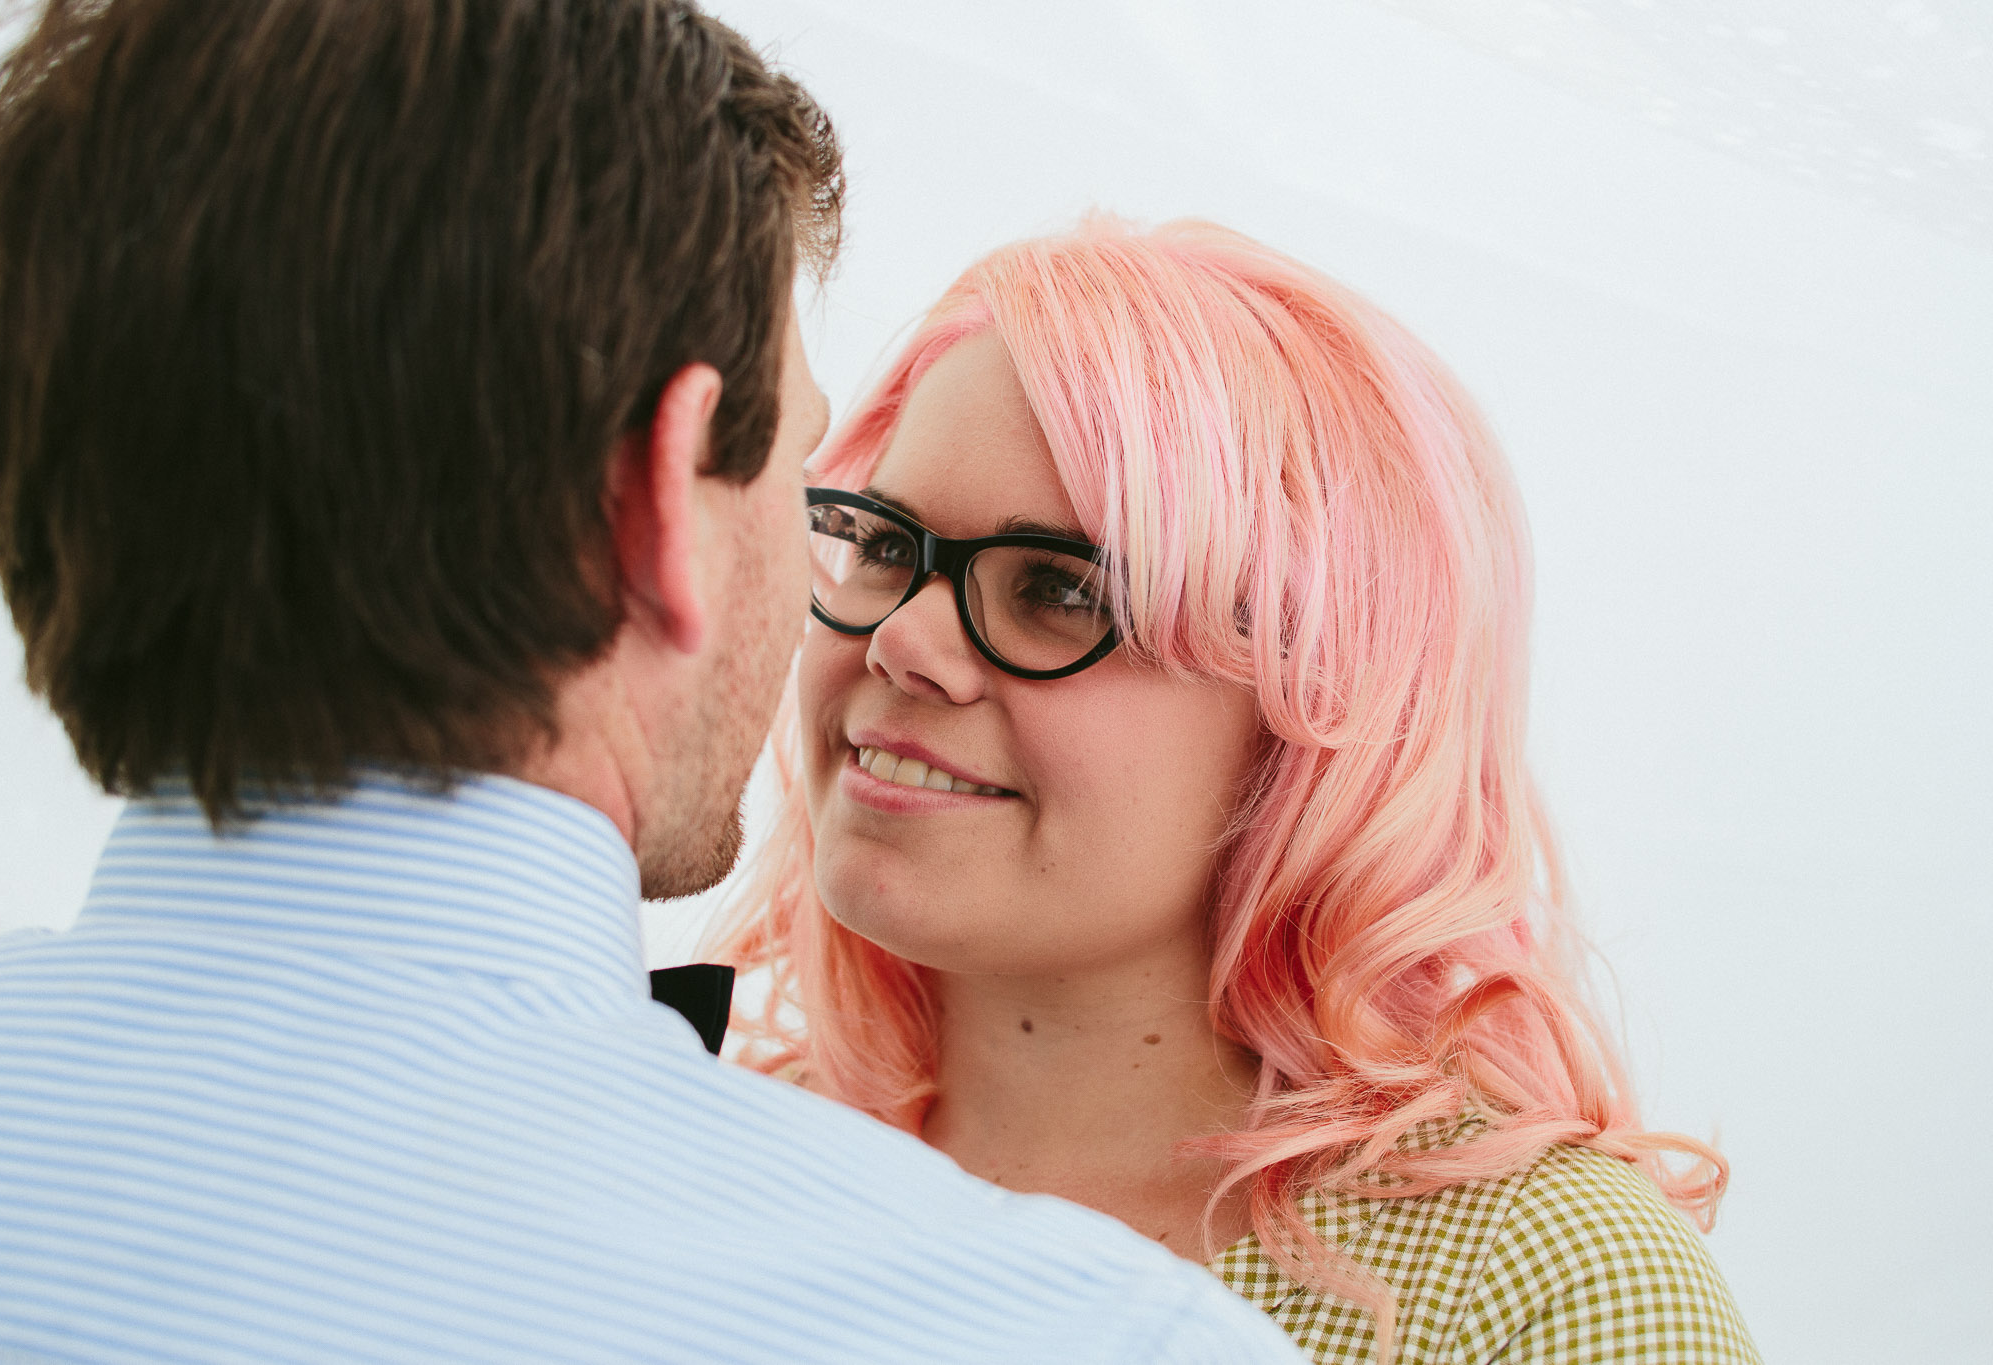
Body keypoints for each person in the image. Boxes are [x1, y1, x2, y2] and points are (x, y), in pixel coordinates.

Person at [0, 3, 1302, 1361]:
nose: (892, 634)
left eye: (1058, 589)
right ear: (660, 499)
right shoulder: (1071, 1337)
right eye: (808, 479)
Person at [716, 218, 1764, 1362]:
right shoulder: (710, 1152)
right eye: (884, 544)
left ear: (1315, 714)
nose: (903, 642)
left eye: (1063, 592)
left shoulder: (1540, 1286)